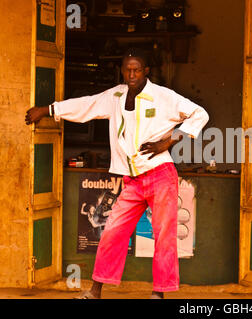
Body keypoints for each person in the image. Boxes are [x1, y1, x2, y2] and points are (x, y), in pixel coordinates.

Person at [25, 47, 209, 299]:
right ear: (122, 70)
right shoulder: (116, 96)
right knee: (111, 232)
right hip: (132, 180)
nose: (131, 74)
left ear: (146, 71)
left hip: (160, 175)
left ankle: (159, 293)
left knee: (164, 236)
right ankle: (96, 290)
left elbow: (200, 113)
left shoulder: (163, 96)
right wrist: (49, 110)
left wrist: (169, 141)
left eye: (136, 69)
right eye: (127, 69)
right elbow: (86, 105)